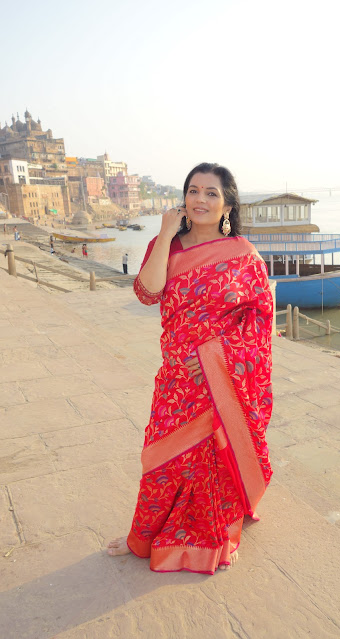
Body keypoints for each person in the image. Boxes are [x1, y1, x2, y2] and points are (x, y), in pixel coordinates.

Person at [107, 163, 273, 574]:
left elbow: (259, 321)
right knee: (160, 459)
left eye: (211, 193)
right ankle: (145, 535)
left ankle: (213, 532)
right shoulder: (167, 245)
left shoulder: (243, 256)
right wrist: (165, 234)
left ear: (227, 204)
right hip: (176, 377)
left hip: (219, 378)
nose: (200, 199)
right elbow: (147, 292)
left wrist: (217, 358)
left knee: (214, 459)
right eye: (193, 191)